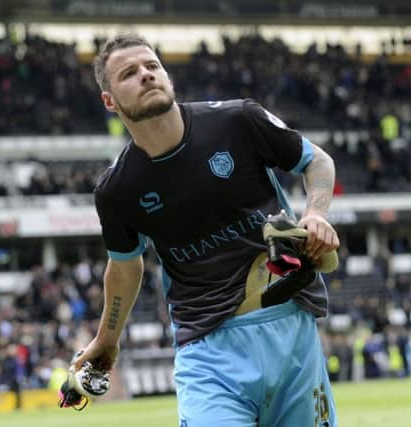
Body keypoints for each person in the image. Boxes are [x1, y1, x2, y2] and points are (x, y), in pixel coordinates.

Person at [73, 34, 340, 426]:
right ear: (109, 101)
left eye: (152, 66)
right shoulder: (117, 190)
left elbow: (316, 161)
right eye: (129, 73)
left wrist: (315, 213)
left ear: (168, 76)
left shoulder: (238, 120)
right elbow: (125, 268)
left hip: (290, 328)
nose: (146, 76)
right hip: (208, 348)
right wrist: (107, 339)